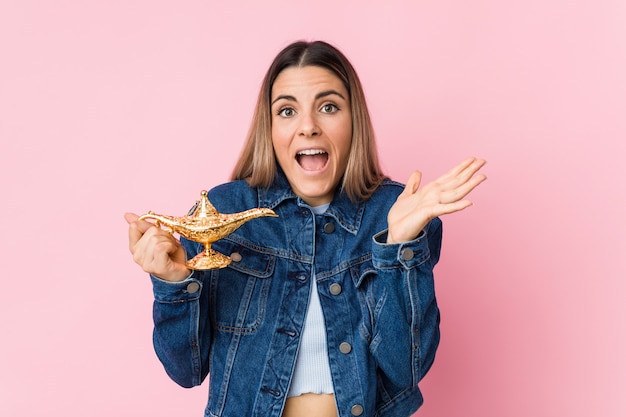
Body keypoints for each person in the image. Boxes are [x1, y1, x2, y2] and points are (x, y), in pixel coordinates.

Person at [125, 40, 486, 417]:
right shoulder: (224, 213)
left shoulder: (394, 212)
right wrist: (172, 282)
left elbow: (406, 368)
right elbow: (186, 371)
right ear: (270, 127)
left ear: (354, 120)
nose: (308, 127)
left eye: (328, 107)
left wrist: (399, 246)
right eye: (287, 111)